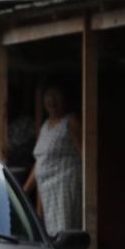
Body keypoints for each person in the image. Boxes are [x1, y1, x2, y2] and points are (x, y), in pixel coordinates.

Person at [24, 84, 81, 234]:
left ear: (65, 99)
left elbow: (85, 155)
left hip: (64, 188)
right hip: (47, 191)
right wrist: (24, 191)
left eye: (56, 95)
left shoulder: (70, 122)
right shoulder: (45, 126)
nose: (52, 100)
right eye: (48, 96)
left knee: (64, 233)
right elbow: (40, 162)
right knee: (51, 233)